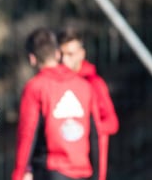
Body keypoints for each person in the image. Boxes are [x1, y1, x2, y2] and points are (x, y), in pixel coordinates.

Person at [12, 28, 100, 180]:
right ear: (58, 54)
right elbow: (95, 134)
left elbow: (28, 134)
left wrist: (20, 173)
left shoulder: (35, 87)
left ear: (32, 59)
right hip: (84, 171)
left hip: (51, 170)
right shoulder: (85, 86)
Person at [57, 27, 119, 180]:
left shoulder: (93, 84)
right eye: (62, 55)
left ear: (81, 54)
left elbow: (112, 123)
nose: (65, 60)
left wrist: (85, 128)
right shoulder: (55, 86)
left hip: (90, 169)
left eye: (70, 54)